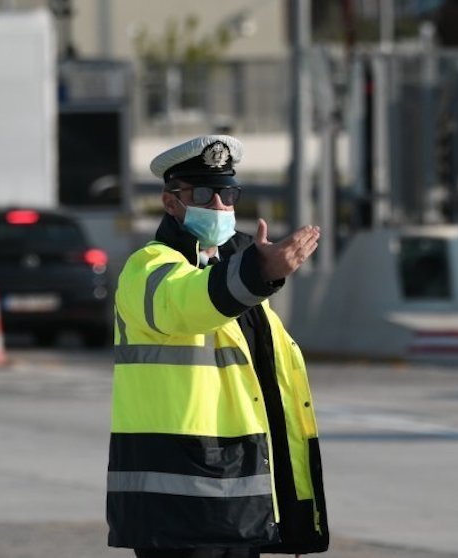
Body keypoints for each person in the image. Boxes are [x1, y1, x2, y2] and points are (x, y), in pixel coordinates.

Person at [107, 134, 330, 558]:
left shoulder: (242, 281)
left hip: (234, 502)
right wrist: (257, 273)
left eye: (227, 194)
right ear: (171, 202)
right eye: (205, 194)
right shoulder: (149, 268)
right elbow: (188, 302)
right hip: (178, 509)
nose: (219, 206)